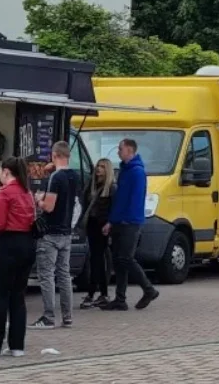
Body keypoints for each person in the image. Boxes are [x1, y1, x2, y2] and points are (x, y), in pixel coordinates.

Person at [0, 158, 36, 357]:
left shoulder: (4, 192)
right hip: (27, 245)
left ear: (6, 172)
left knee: (0, 296)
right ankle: (17, 345)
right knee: (18, 297)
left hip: (8, 245)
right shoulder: (27, 192)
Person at [102, 139, 160, 312]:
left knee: (126, 258)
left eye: (120, 149)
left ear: (129, 150)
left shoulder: (136, 172)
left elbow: (134, 199)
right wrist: (112, 221)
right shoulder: (126, 171)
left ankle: (148, 289)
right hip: (121, 221)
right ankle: (120, 298)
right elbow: (120, 199)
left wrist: (125, 219)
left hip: (130, 222)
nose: (118, 152)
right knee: (119, 261)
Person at [31, 141, 79, 330]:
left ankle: (49, 316)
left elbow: (49, 206)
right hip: (66, 232)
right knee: (64, 275)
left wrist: (38, 201)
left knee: (46, 275)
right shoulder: (74, 176)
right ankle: (67, 317)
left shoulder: (56, 178)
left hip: (50, 232)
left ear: (54, 155)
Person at [80, 158, 116, 309]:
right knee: (95, 258)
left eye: (102, 167)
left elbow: (114, 208)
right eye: (97, 166)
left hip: (103, 226)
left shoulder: (111, 188)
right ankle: (98, 292)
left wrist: (110, 223)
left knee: (98, 259)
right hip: (92, 225)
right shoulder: (91, 186)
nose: (98, 169)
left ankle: (97, 292)